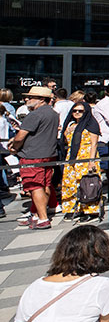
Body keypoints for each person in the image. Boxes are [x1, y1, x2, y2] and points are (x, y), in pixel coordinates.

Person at [10, 86, 60, 230]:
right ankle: (37, 214)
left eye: (32, 97)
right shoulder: (53, 113)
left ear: (42, 100)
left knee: (34, 186)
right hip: (48, 153)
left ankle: (42, 218)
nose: (27, 99)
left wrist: (15, 147)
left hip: (33, 155)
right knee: (44, 184)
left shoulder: (34, 115)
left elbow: (20, 136)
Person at [59, 100, 103, 223]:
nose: (77, 113)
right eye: (75, 111)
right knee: (71, 183)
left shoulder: (91, 124)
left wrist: (91, 161)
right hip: (72, 156)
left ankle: (90, 210)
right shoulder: (70, 125)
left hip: (86, 155)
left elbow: (94, 144)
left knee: (87, 184)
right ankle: (74, 208)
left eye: (80, 111)